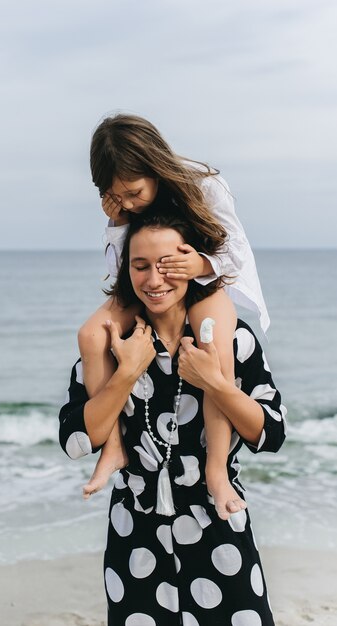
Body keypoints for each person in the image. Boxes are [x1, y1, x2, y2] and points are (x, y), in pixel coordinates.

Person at [59, 212, 286, 625]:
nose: (154, 279)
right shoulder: (112, 348)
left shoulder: (231, 340)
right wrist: (127, 373)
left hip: (219, 525)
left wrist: (216, 383)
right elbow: (76, 438)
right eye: (140, 266)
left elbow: (270, 433)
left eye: (167, 265)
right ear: (126, 272)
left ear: (191, 265)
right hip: (134, 535)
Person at [78, 113, 269, 520]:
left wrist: (197, 265)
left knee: (210, 338)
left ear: (154, 165)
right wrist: (118, 221)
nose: (128, 202)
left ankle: (216, 471)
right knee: (92, 335)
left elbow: (236, 251)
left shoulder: (205, 185)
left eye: (133, 192)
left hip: (207, 280)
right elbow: (120, 269)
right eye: (116, 197)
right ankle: (113, 447)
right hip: (149, 285)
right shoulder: (124, 208)